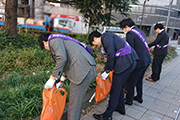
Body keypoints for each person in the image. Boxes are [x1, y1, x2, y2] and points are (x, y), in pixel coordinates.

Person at [38, 33, 96, 120]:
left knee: (73, 105)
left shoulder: (53, 41)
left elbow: (61, 58)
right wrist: (61, 80)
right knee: (76, 104)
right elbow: (68, 62)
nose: (48, 50)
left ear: (45, 42)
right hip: (88, 69)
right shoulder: (63, 40)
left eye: (44, 47)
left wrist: (52, 79)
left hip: (83, 72)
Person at [88, 31, 139, 120]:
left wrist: (107, 71)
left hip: (126, 62)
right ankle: (120, 108)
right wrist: (106, 69)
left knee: (115, 88)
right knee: (120, 86)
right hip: (129, 61)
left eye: (95, 44)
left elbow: (111, 54)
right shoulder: (108, 37)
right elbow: (113, 55)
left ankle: (107, 116)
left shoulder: (105, 37)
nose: (97, 46)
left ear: (95, 38)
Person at [119, 18, 151, 105]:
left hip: (139, 62)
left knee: (131, 81)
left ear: (126, 26)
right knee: (139, 79)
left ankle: (129, 100)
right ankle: (139, 97)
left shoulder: (130, 34)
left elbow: (130, 50)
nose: (123, 31)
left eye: (123, 29)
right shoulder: (139, 31)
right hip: (146, 60)